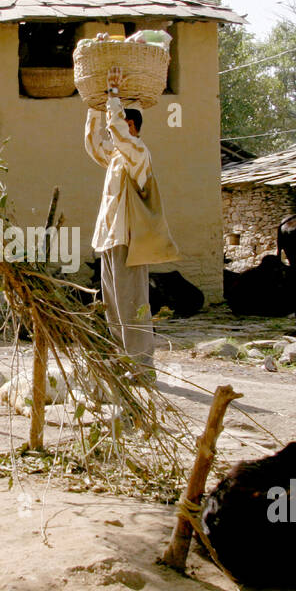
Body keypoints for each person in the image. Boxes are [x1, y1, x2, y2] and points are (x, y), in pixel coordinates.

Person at [84, 66, 178, 383]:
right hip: (110, 240)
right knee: (113, 306)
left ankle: (141, 368)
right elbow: (93, 143)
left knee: (133, 305)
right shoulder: (116, 158)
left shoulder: (138, 152)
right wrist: (95, 105)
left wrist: (113, 95)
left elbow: (117, 134)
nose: (114, 133)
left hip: (129, 242)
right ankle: (122, 362)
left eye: (121, 126)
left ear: (132, 127)